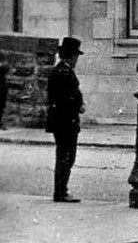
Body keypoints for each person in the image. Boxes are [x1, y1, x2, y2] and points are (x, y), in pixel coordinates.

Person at [45, 36, 85, 203]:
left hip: (63, 120)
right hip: (65, 121)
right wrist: (79, 106)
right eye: (76, 56)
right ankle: (61, 192)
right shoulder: (63, 72)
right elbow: (67, 98)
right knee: (66, 157)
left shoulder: (62, 70)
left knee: (66, 156)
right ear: (71, 56)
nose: (76, 60)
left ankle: (61, 190)